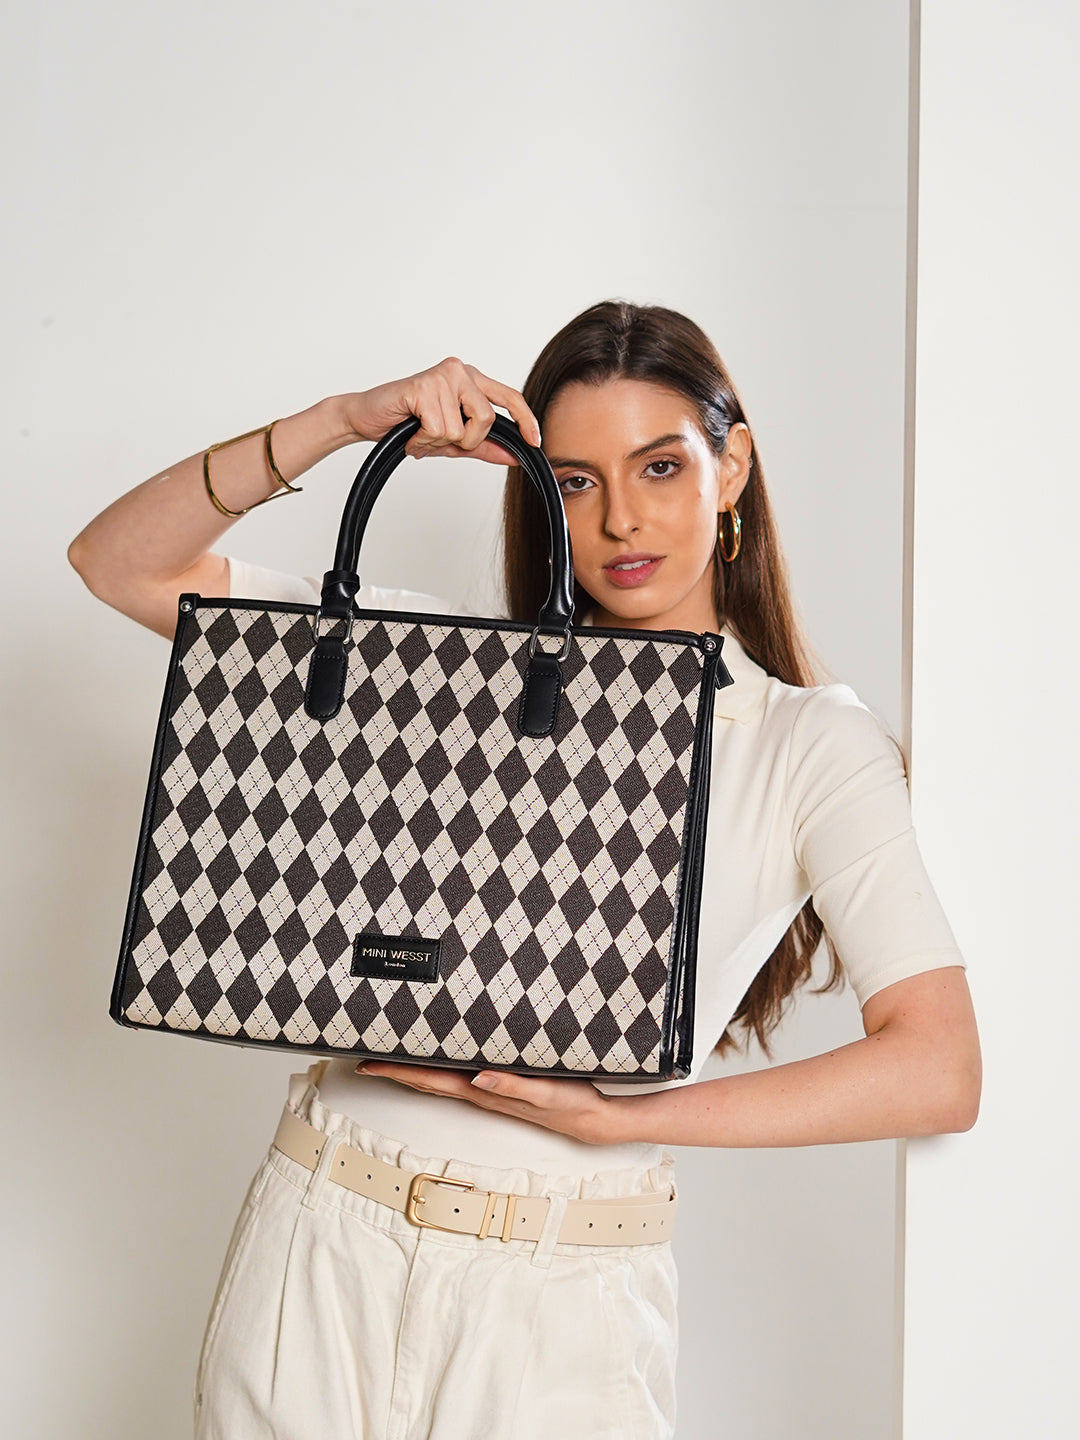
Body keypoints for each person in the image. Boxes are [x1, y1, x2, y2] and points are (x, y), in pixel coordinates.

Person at [68, 299, 981, 1440]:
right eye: (578, 480)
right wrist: (346, 420)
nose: (621, 518)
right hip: (322, 1239)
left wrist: (619, 1120)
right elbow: (117, 562)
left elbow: (937, 1066)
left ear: (733, 465)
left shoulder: (807, 744)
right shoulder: (434, 673)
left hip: (561, 1299)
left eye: (660, 465)